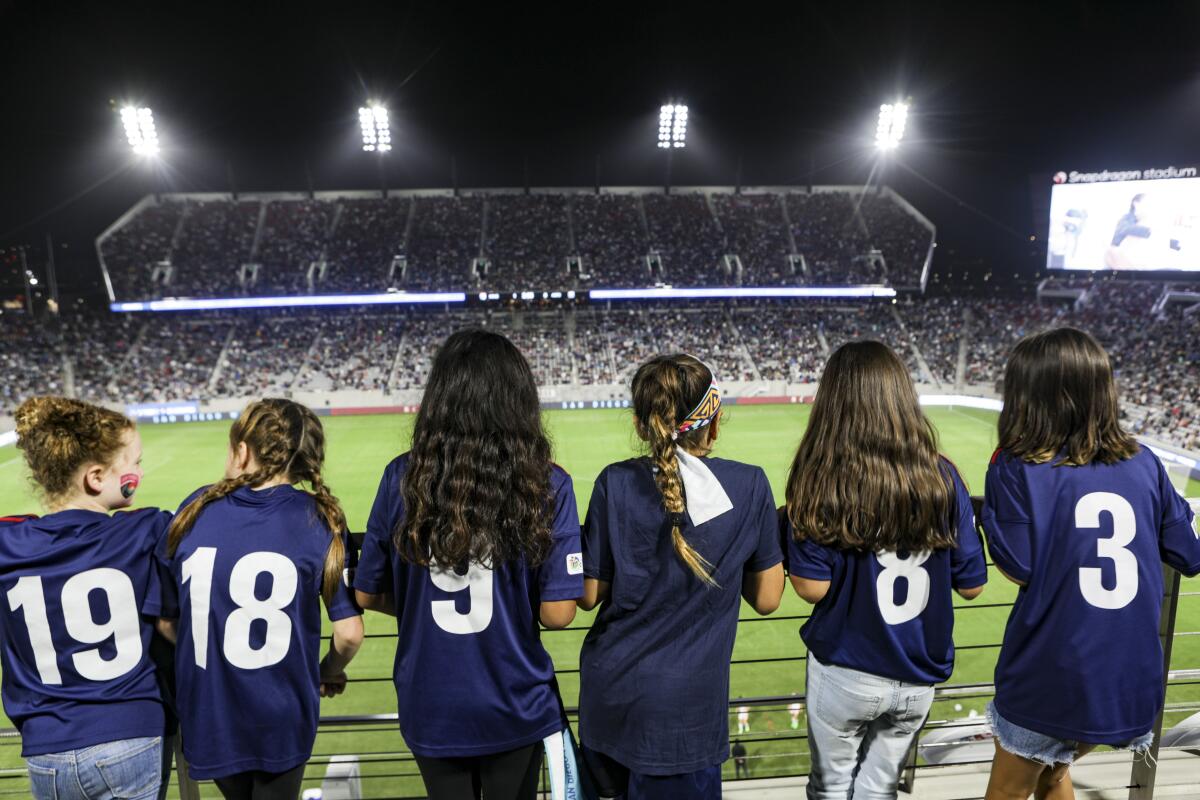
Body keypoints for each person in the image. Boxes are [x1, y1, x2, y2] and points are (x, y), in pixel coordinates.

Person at [353, 330, 583, 800]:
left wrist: (420, 607)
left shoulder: (401, 477)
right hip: (515, 700)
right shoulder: (547, 484)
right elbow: (558, 613)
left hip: (430, 702)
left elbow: (365, 592)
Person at [981, 328, 1200, 800]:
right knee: (1055, 771)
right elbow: (1189, 553)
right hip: (1131, 679)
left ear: (1029, 396)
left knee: (1008, 792)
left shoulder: (1015, 465)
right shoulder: (1144, 462)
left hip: (1052, 670)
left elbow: (1019, 566)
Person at [577, 353, 785, 800]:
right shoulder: (750, 485)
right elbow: (768, 598)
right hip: (684, 718)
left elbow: (590, 594)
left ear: (640, 424)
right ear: (715, 420)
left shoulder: (613, 482)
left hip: (608, 698)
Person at [786, 341, 988, 800]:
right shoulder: (943, 476)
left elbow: (812, 588)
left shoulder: (823, 475)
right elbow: (973, 585)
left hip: (847, 670)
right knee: (879, 790)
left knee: (831, 788)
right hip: (920, 673)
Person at [159, 399, 363, 800]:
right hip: (281, 716)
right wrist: (325, 670)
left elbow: (167, 621)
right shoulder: (319, 518)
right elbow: (350, 634)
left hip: (210, 714)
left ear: (244, 451)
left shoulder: (195, 506)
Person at [0, 397, 169, 800]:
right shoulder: (146, 529)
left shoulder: (7, 541)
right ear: (95, 477)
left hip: (46, 749)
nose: (140, 472)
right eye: (135, 463)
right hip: (130, 734)